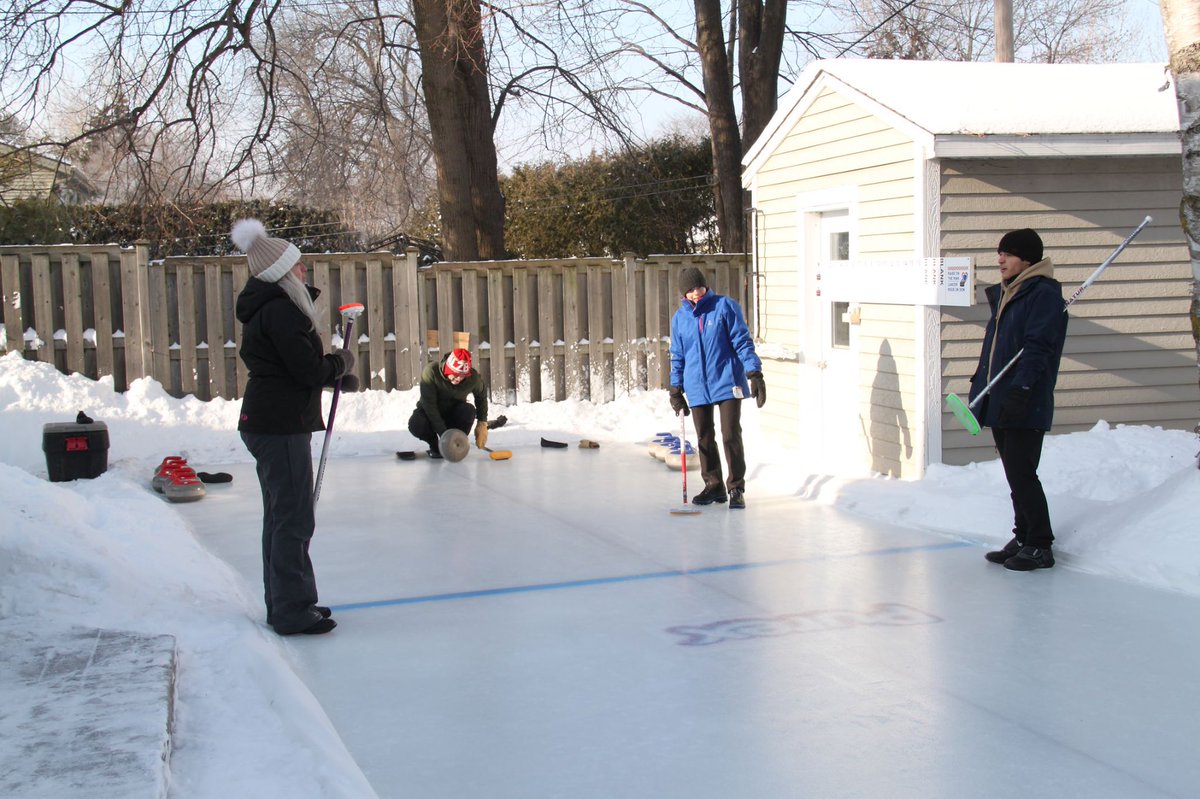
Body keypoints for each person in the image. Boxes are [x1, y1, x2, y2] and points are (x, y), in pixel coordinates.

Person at [233, 218, 360, 635]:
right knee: (293, 518)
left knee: (282, 516)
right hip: (278, 425)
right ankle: (290, 609)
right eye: (299, 266)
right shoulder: (282, 311)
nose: (305, 271)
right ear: (283, 274)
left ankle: (288, 601)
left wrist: (333, 373)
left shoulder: (271, 309)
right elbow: (304, 369)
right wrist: (338, 364)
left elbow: (295, 370)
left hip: (271, 420)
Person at [969, 228, 1068, 571]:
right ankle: (1024, 535)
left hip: (1025, 398)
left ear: (1027, 259)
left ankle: (1040, 544)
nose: (1000, 259)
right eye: (1000, 253)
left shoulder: (1042, 295)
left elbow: (1038, 348)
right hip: (1000, 396)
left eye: (1008, 254)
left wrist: (1022, 389)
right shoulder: (1010, 292)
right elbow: (996, 350)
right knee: (1014, 474)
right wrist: (979, 384)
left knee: (1023, 473)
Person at [668, 267, 765, 509]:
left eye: (698, 287)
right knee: (704, 436)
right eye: (689, 290)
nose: (695, 293)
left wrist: (754, 372)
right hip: (696, 385)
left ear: (705, 285)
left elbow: (742, 341)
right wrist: (675, 388)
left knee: (730, 434)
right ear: (684, 293)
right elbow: (677, 355)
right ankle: (714, 486)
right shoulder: (680, 319)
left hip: (727, 380)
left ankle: (736, 488)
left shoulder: (724, 306)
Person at [408, 347, 489, 458]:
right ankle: (435, 445)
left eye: (462, 375)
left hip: (453, 415)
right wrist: (445, 436)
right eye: (455, 374)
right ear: (448, 368)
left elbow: (481, 396)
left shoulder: (472, 378)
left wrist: (482, 422)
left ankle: (457, 443)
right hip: (430, 415)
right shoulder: (431, 372)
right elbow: (429, 405)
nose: (459, 378)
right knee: (416, 423)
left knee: (468, 410)